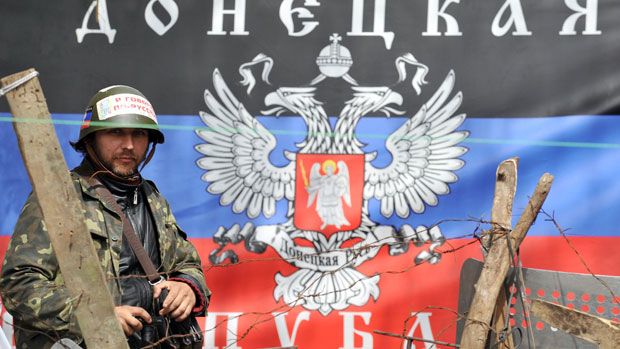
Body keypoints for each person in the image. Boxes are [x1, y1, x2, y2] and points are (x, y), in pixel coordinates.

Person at [0, 85, 210, 348]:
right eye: (116, 132)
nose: (129, 145)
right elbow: (19, 285)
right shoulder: (59, 197)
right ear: (92, 138)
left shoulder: (152, 198)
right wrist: (96, 318)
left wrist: (188, 287)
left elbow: (187, 263)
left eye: (139, 134)